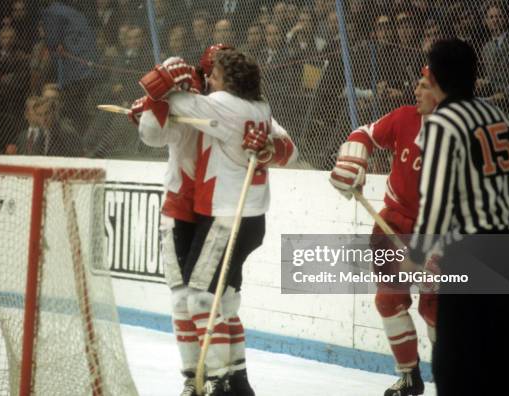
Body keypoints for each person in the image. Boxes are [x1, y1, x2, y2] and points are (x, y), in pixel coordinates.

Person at [137, 48, 297, 396]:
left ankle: (212, 378)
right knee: (215, 302)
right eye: (206, 71)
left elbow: (170, 104)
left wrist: (156, 91)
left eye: (214, 72)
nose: (208, 77)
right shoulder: (254, 105)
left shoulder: (217, 104)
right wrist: (154, 108)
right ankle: (226, 379)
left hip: (222, 216)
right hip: (196, 212)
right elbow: (151, 133)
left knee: (196, 301)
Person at [408, 38, 509, 396]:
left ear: (434, 77)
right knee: (501, 361)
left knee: (457, 366)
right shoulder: (499, 116)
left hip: (475, 251)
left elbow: (435, 201)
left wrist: (416, 254)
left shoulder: (443, 123)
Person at [329, 71, 439, 396]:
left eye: (424, 85)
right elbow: (364, 133)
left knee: (438, 311)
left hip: (437, 232)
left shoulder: (459, 134)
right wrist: (353, 159)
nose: (415, 89)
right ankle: (409, 377)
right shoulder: (405, 117)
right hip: (391, 224)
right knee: (389, 300)